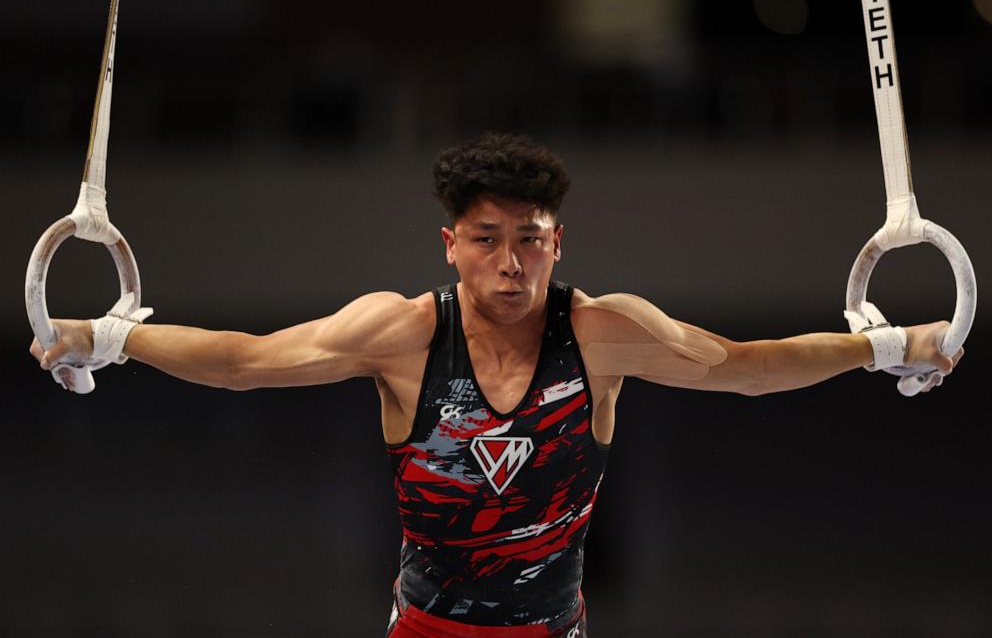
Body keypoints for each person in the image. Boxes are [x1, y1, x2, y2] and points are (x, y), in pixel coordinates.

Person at [29, 132, 963, 637]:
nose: (510, 262)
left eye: (531, 237)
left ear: (559, 242)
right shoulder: (402, 334)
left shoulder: (601, 333)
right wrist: (107, 335)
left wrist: (881, 348)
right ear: (452, 246)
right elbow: (245, 359)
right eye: (486, 238)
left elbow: (748, 367)